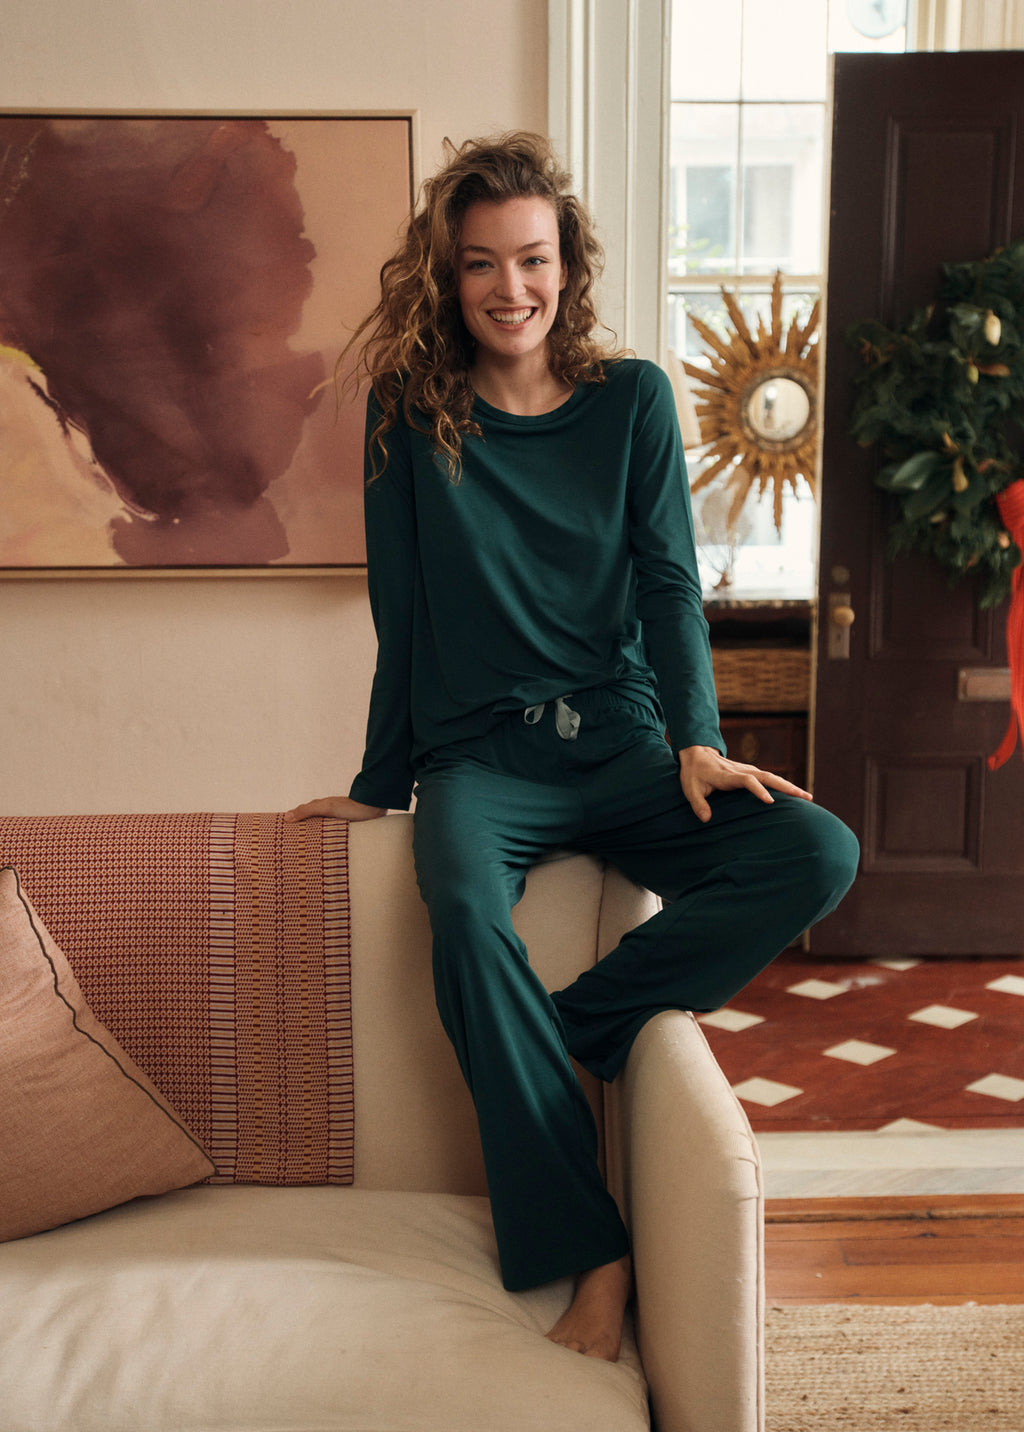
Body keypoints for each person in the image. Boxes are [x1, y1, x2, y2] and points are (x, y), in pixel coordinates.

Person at [286, 131, 859, 1363]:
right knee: (462, 915)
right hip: (481, 764)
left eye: (531, 259)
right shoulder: (410, 412)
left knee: (815, 851)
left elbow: (667, 585)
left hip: (624, 744)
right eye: (481, 264)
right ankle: (593, 1259)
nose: (510, 288)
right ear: (447, 277)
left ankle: (568, 1035)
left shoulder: (632, 402)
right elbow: (407, 616)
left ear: (566, 264)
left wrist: (697, 744)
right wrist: (376, 788)